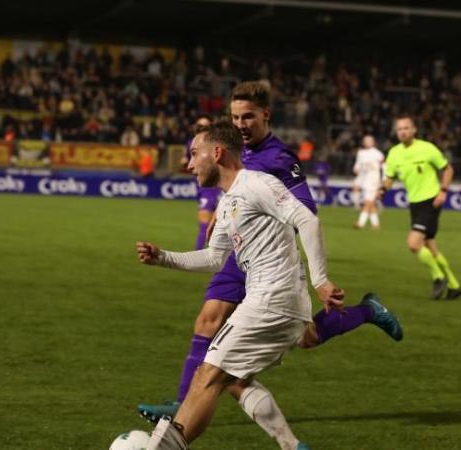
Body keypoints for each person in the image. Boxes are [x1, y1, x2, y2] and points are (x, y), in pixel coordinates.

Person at [138, 82, 402, 425]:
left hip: (269, 260)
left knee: (306, 338)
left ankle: (367, 311)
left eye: (248, 117)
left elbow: (304, 209)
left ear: (266, 115)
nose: (241, 124)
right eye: (235, 117)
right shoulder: (233, 149)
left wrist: (276, 243)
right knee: (208, 318)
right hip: (237, 253)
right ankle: (181, 402)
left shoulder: (279, 159)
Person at [379, 115, 461, 300]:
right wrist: (383, 190)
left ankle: (438, 277)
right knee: (430, 247)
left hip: (431, 201)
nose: (402, 131)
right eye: (399, 129)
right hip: (415, 204)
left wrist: (443, 191)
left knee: (413, 244)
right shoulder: (394, 153)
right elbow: (390, 177)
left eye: (406, 128)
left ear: (414, 130)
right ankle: (454, 286)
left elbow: (448, 168)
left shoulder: (427, 148)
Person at [181, 115, 220, 249]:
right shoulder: (191, 142)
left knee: (204, 224)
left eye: (205, 127)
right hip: (200, 184)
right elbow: (186, 159)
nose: (201, 129)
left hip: (211, 187)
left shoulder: (216, 144)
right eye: (199, 126)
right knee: (215, 225)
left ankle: (196, 257)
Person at [352, 135, 384, 230]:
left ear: (373, 142)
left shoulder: (378, 154)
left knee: (368, 202)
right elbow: (357, 165)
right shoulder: (361, 153)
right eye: (366, 140)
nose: (367, 142)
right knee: (371, 203)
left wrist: (384, 179)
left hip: (374, 180)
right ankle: (376, 225)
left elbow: (384, 166)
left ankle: (360, 223)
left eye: (370, 140)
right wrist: (356, 169)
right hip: (364, 179)